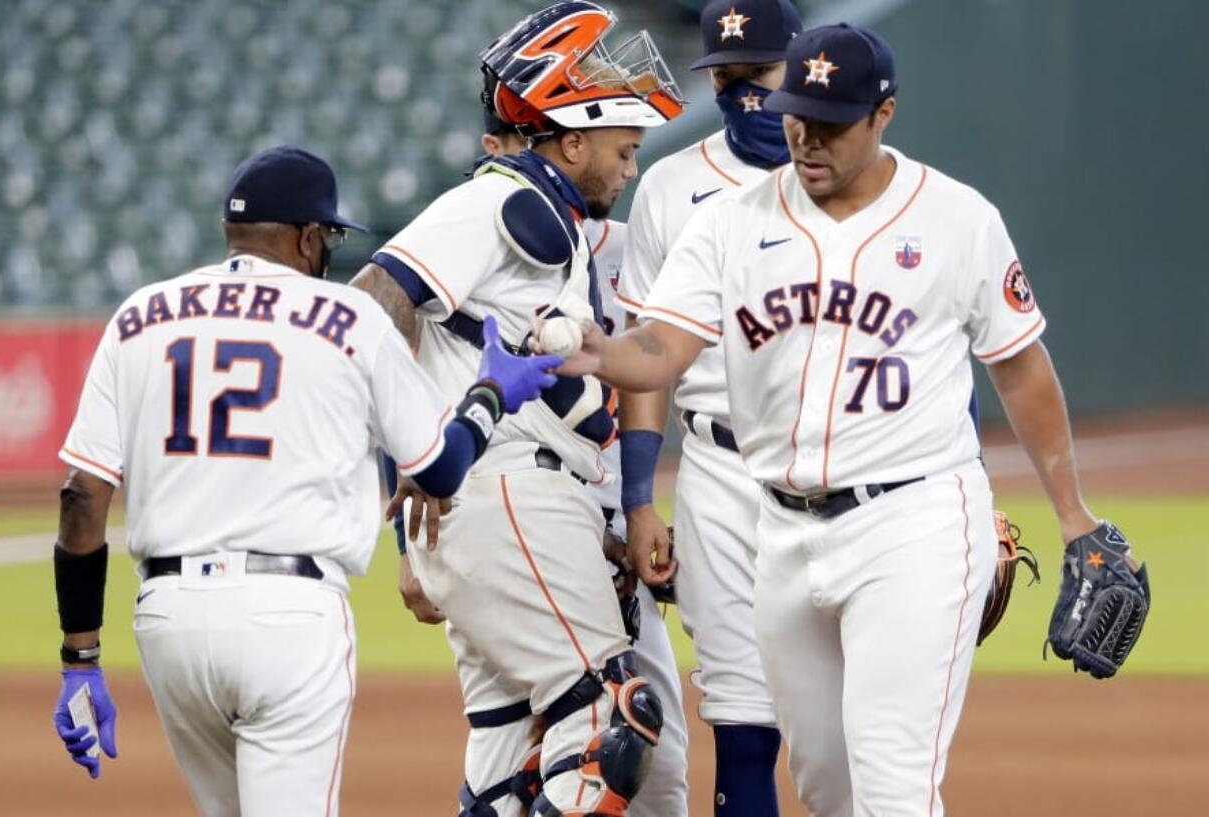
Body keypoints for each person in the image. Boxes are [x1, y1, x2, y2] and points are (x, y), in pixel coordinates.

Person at [536, 23, 1143, 817]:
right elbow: (659, 348)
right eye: (796, 116)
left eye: (830, 123)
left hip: (913, 520)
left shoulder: (958, 219)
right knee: (826, 782)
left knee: (892, 781)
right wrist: (596, 352)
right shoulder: (728, 222)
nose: (805, 137)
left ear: (883, 114)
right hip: (780, 531)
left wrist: (1073, 517)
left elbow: (1022, 368)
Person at [49, 145, 561, 815]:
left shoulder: (140, 314)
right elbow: (438, 468)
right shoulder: (349, 320)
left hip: (169, 621)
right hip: (290, 617)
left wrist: (80, 656)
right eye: (330, 236)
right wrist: (491, 394)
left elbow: (82, 495)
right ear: (307, 235)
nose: (330, 251)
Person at [348, 3, 686, 815]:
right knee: (612, 713)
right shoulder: (504, 200)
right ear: (570, 140)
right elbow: (373, 299)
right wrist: (412, 452)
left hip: (507, 502)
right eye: (619, 149)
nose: (629, 168)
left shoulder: (550, 217)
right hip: (507, 494)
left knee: (509, 757)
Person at [612, 2, 801, 814]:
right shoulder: (671, 185)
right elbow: (646, 357)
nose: (739, 95)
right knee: (741, 719)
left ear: (800, 68)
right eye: (724, 80)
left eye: (756, 76)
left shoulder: (862, 180)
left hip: (836, 464)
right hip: (719, 472)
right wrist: (639, 497)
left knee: (846, 727)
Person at [480, 107, 692, 817]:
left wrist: (636, 503)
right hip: (518, 512)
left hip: (599, 503)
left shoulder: (628, 246)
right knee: (523, 743)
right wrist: (410, 551)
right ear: (498, 148)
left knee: (654, 755)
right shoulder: (480, 242)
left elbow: (646, 373)